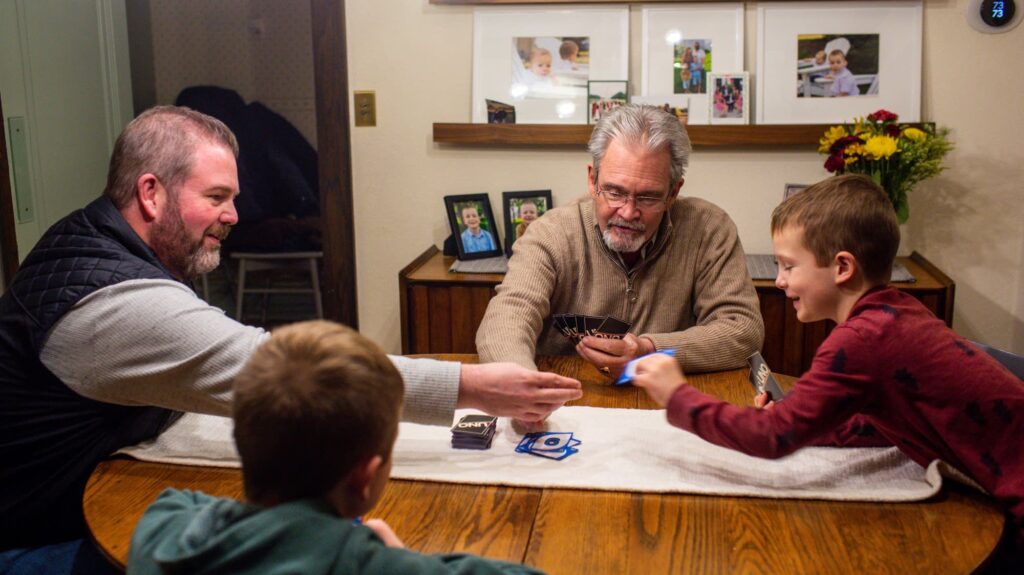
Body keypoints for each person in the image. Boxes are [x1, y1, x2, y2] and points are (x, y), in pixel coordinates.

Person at [0, 106, 581, 567]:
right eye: (216, 197)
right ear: (151, 193)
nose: (233, 215)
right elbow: (273, 366)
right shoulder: (111, 301)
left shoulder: (94, 237)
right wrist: (473, 386)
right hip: (45, 541)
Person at [631, 174, 1024, 567]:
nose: (780, 281)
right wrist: (803, 420)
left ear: (842, 267)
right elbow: (878, 421)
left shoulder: (862, 340)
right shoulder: (895, 314)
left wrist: (677, 395)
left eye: (788, 266)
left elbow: (771, 439)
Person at [128, 321, 545, 575]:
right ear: (366, 477)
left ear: (242, 441)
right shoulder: (371, 566)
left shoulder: (163, 531)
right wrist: (397, 557)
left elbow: (179, 505)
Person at [476, 104, 764, 378]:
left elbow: (743, 330)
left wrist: (648, 350)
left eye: (648, 197)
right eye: (614, 192)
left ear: (673, 192)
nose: (628, 212)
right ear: (592, 180)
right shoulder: (550, 234)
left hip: (668, 402)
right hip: (566, 402)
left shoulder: (709, 229)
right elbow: (506, 321)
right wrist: (521, 385)